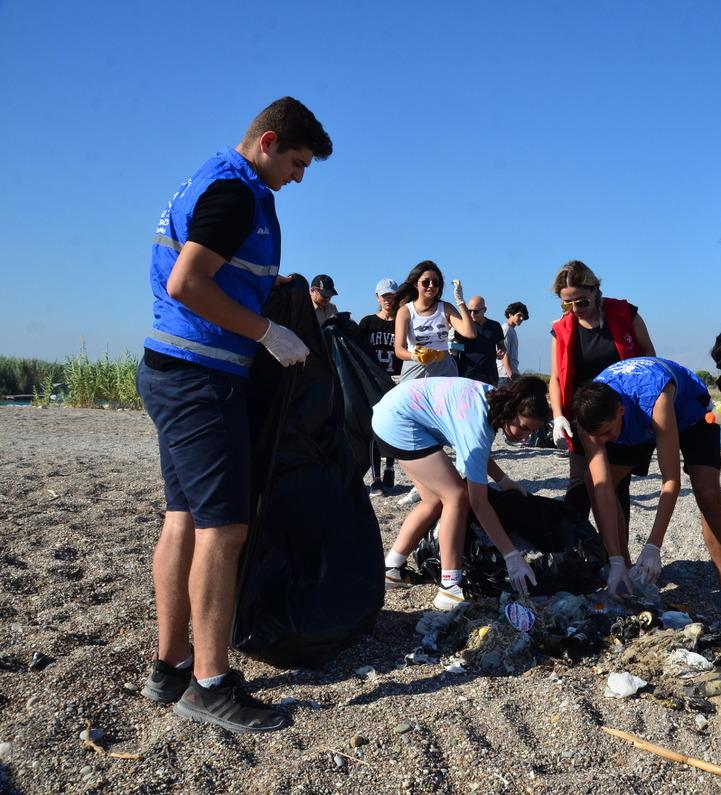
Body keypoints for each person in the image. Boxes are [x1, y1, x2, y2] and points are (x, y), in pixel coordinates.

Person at [136, 97, 331, 733]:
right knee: (225, 530)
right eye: (297, 162)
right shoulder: (235, 192)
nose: (299, 177)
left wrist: (267, 292)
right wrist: (267, 330)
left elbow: (214, 273)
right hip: (201, 378)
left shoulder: (212, 179)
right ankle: (209, 684)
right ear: (268, 142)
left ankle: (169, 668)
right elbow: (188, 283)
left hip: (171, 369)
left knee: (184, 519)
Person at [571, 357, 721, 612]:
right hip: (635, 425)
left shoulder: (655, 398)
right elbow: (601, 487)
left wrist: (653, 546)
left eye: (608, 433)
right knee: (596, 482)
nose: (605, 441)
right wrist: (615, 560)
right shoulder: (590, 417)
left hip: (691, 416)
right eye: (597, 437)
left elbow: (671, 480)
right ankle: (626, 573)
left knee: (706, 490)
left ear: (621, 411)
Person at [373, 376, 550, 608]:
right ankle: (450, 588)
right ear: (510, 411)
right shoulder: (477, 424)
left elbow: (477, 453)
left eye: (531, 432)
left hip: (394, 412)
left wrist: (503, 480)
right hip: (398, 421)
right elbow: (478, 502)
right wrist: (511, 555)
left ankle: (391, 568)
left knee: (434, 500)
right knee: (457, 496)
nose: (524, 436)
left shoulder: (495, 401)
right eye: (523, 427)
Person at [547, 261, 655, 526]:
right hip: (581, 416)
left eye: (581, 302)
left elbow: (650, 357)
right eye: (566, 304)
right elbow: (556, 378)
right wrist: (559, 417)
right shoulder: (562, 329)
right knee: (580, 485)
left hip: (621, 414)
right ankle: (575, 551)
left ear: (596, 291)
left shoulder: (626, 314)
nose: (575, 310)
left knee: (618, 486)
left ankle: (617, 557)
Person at [393, 261, 475, 380]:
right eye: (426, 282)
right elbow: (399, 350)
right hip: (416, 369)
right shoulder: (405, 311)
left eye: (436, 283)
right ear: (416, 284)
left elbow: (470, 333)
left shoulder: (446, 308)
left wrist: (460, 302)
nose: (431, 286)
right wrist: (415, 356)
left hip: (444, 370)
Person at [359, 277, 402, 495]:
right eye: (384, 295)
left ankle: (390, 467)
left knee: (391, 427)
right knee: (374, 429)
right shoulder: (367, 323)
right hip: (373, 380)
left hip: (396, 379)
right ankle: (375, 478)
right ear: (378, 297)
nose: (388, 299)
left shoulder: (402, 321)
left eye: (391, 296)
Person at [456, 295, 506, 385]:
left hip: (489, 375)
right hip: (467, 374)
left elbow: (501, 345)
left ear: (484, 310)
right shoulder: (463, 326)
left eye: (476, 311)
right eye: (469, 311)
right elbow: (455, 346)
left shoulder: (495, 326)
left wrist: (501, 351)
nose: (472, 314)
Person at [497, 301, 528, 386]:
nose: (521, 318)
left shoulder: (511, 330)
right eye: (519, 315)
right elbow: (504, 354)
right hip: (505, 376)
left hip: (510, 375)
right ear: (510, 314)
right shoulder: (506, 329)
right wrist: (512, 376)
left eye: (523, 316)